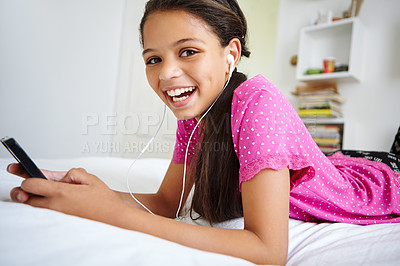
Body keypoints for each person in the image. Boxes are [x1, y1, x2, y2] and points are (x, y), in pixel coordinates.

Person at [7, 0, 400, 264]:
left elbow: (268, 250)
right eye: (153, 59)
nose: (166, 74)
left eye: (188, 51)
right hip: (338, 164)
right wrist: (93, 191)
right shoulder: (194, 117)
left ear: (230, 54)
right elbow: (166, 203)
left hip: (379, 179)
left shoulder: (257, 101)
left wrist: (112, 215)